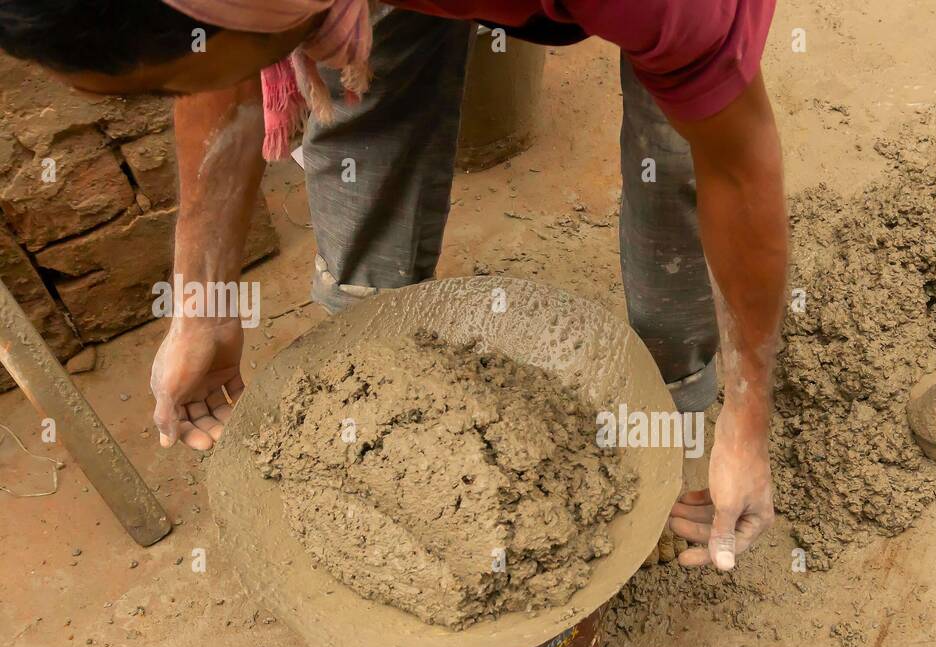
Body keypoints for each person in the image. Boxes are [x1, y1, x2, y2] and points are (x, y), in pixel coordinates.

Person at [0, 0, 788, 571]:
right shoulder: (226, 15)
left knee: (675, 149)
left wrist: (748, 419)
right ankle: (377, 363)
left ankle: (671, 404)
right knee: (362, 82)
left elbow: (734, 161)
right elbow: (202, 52)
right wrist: (202, 306)